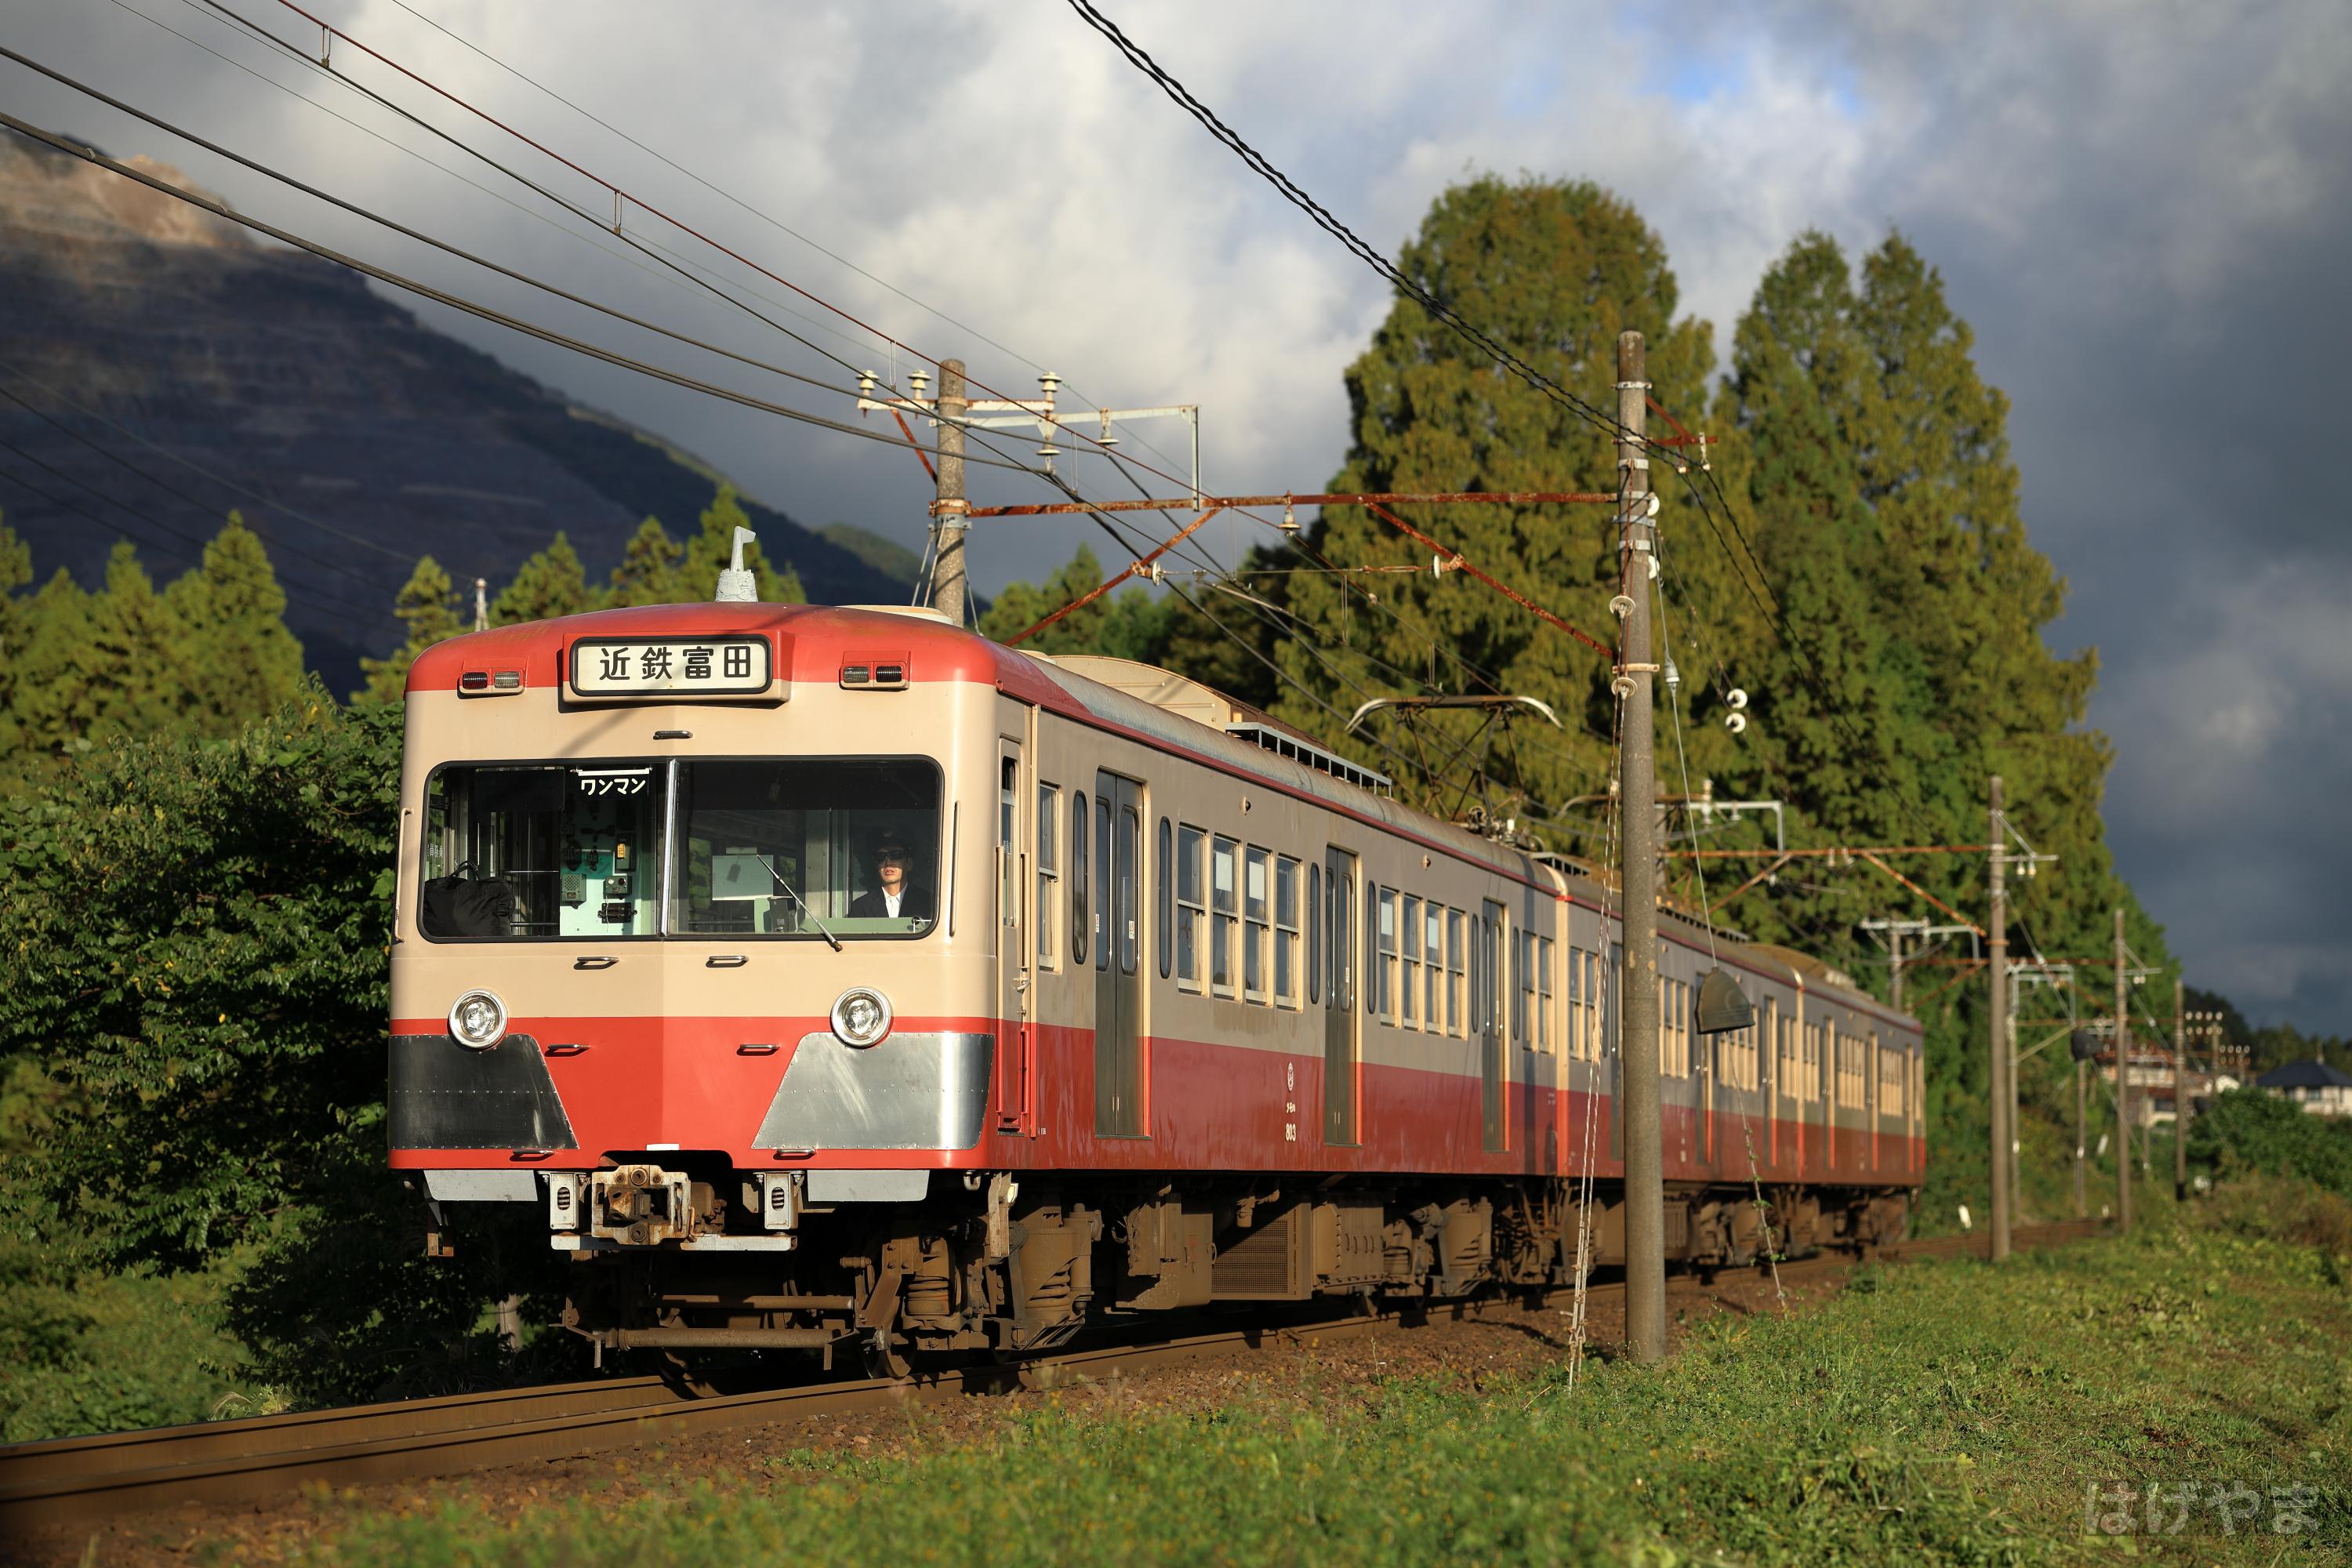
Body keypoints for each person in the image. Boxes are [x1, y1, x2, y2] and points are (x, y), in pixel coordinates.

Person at [848, 835, 931, 922]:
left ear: (909, 864)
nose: (888, 863)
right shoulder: (861, 906)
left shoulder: (929, 902)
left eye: (896, 855)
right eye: (881, 856)